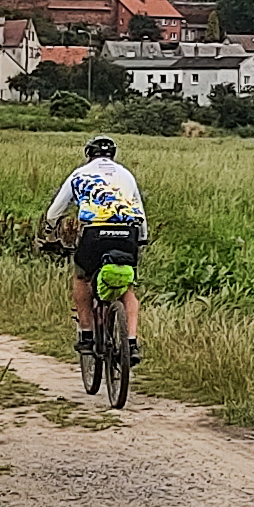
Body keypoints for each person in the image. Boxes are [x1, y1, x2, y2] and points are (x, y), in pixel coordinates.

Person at [45, 134, 148, 359]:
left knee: (82, 278)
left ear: (89, 155)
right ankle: (131, 342)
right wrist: (142, 238)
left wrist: (50, 232)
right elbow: (139, 208)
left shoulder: (80, 174)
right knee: (127, 288)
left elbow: (55, 211)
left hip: (95, 232)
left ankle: (87, 335)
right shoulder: (126, 175)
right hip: (127, 232)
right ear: (113, 155)